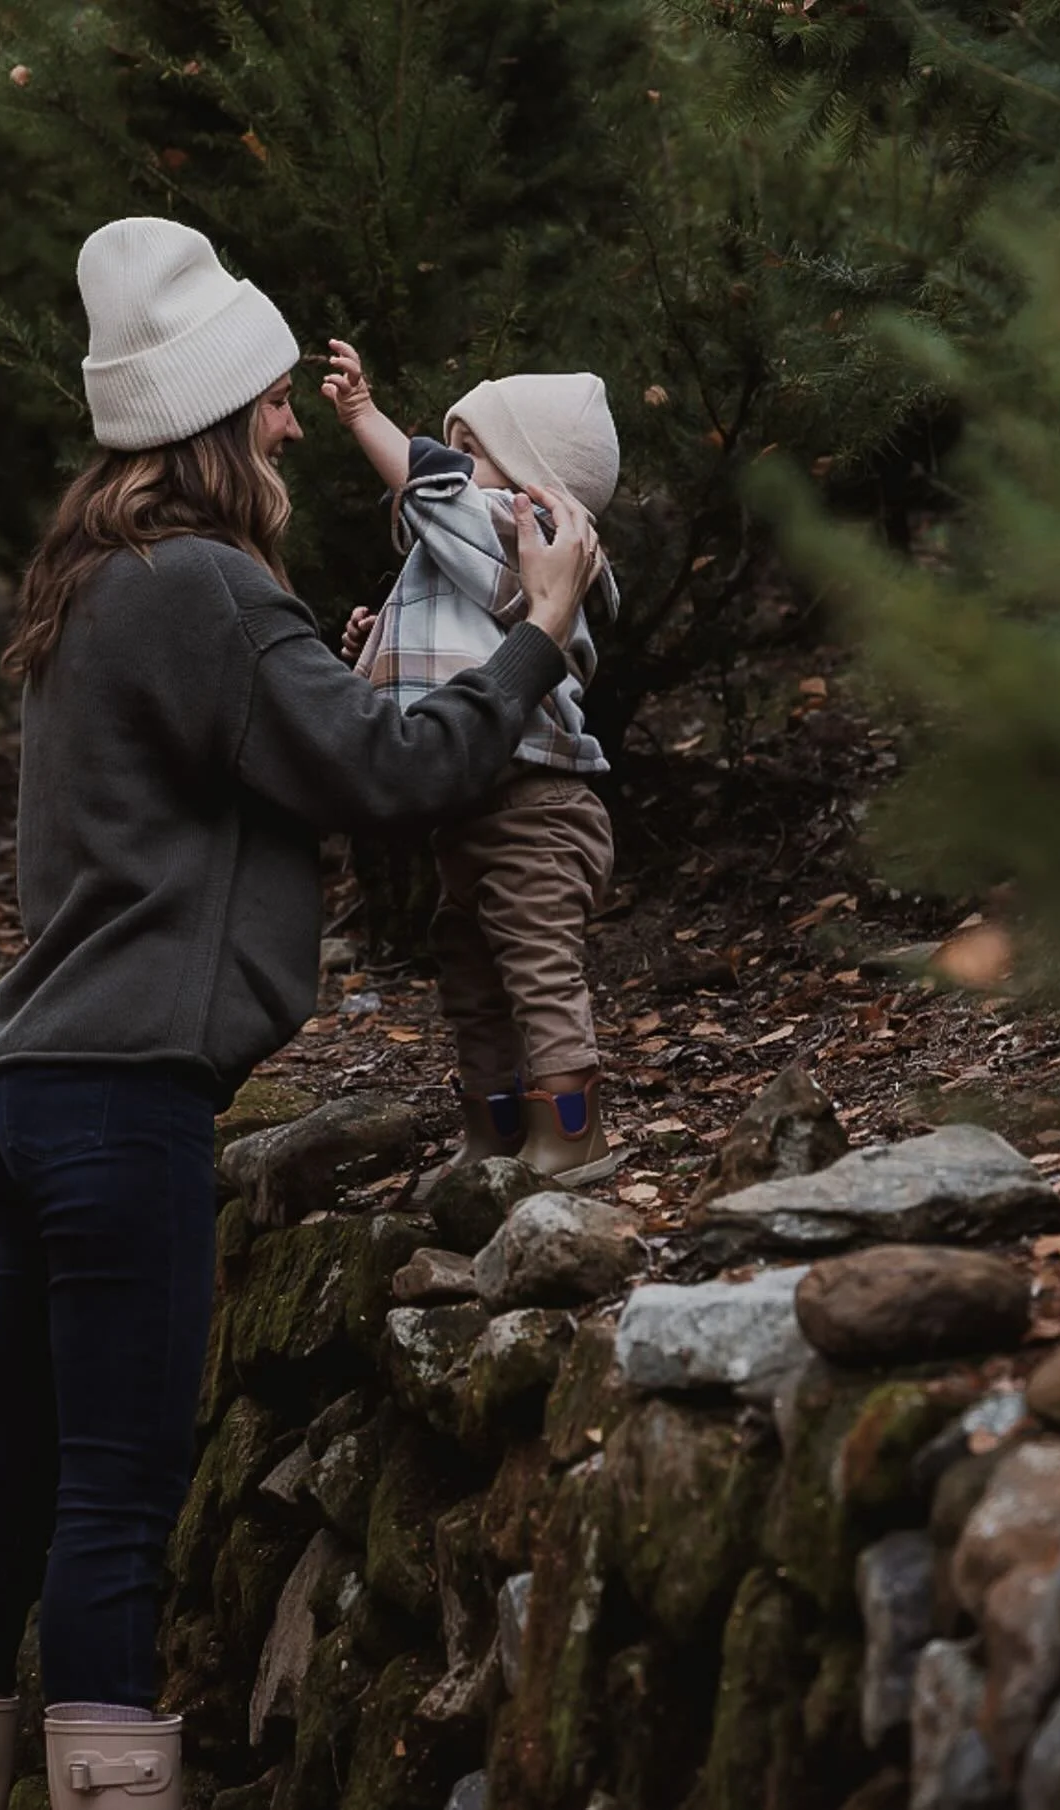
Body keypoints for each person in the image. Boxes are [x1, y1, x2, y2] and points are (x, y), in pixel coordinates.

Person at [0, 217, 600, 1810]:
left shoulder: (97, 579)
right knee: (120, 1504)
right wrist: (541, 626)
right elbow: (399, 775)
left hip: (33, 1088)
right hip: (125, 1102)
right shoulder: (206, 588)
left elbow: (291, 758)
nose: (291, 421)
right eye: (272, 400)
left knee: (6, 1488)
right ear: (217, 420)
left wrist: (333, 689)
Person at [322, 339, 619, 1190]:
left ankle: (576, 1131)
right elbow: (436, 679)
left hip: (535, 808)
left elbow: (428, 489)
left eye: (473, 450)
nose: (452, 465)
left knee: (536, 965)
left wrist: (363, 416)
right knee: (468, 964)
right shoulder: (475, 554)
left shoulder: (524, 530)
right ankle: (492, 1126)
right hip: (477, 809)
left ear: (534, 483)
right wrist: (372, 650)